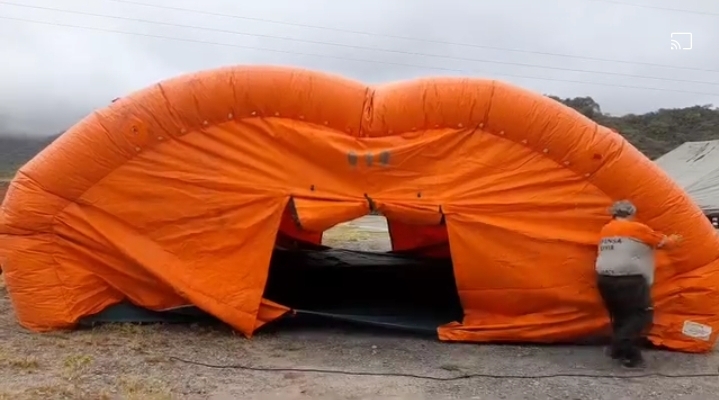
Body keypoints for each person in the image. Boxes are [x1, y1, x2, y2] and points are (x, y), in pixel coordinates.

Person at [595, 200, 682, 369]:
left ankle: (618, 352)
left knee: (620, 315)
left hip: (605, 279)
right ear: (632, 213)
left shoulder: (606, 229)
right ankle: (626, 350)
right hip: (630, 280)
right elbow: (665, 243)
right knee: (641, 315)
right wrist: (677, 238)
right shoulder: (636, 228)